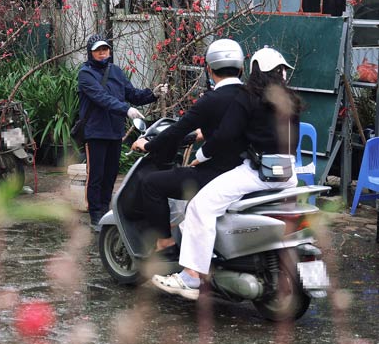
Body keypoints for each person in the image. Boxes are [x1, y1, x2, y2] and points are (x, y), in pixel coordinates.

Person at [152, 47, 302, 300]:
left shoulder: (248, 96)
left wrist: (200, 156)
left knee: (201, 206)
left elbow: (225, 136)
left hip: (258, 173)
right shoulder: (290, 100)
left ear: (253, 70)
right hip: (288, 175)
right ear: (282, 72)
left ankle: (190, 276)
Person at [128, 39, 247, 254]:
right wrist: (203, 134)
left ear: (209, 69)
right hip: (245, 172)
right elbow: (231, 128)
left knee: (151, 183)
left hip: (216, 173)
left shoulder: (210, 100)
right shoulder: (250, 96)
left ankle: (165, 243)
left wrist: (148, 146)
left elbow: (176, 131)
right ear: (241, 68)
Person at [77, 34, 167, 229]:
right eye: (98, 50)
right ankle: (95, 214)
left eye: (105, 50)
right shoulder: (85, 74)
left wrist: (152, 94)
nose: (102, 54)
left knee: (111, 174)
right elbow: (101, 98)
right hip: (96, 131)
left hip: (114, 130)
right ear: (90, 53)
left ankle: (105, 208)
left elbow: (132, 94)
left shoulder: (116, 71)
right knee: (96, 175)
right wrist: (126, 110)